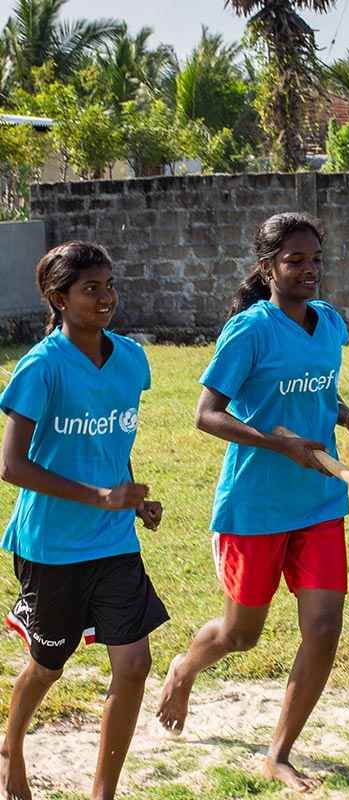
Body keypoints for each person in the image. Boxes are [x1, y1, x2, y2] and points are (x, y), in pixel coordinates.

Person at [156, 212, 349, 794]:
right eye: (294, 261)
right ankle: (184, 667)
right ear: (267, 267)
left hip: (320, 502)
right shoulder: (249, 330)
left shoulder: (329, 323)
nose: (308, 271)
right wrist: (277, 441)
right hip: (255, 506)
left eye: (315, 260)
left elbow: (321, 390)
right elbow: (207, 414)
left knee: (325, 627)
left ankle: (279, 752)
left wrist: (348, 416)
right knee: (241, 635)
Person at [1, 242, 166, 800]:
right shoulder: (42, 367)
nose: (105, 297)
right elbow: (11, 465)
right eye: (90, 288)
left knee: (135, 662)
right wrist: (98, 494)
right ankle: (11, 746)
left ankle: (103, 793)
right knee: (49, 664)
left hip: (113, 540)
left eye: (109, 285)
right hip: (52, 545)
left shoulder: (131, 360)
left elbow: (111, 440)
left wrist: (130, 498)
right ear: (58, 297)